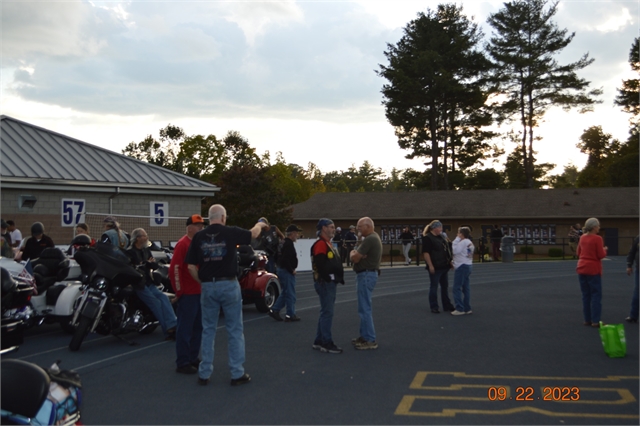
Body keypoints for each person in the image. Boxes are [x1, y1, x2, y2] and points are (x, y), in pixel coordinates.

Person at [185, 204, 268, 386]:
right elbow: (253, 234)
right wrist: (260, 224)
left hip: (208, 285)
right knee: (234, 329)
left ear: (209, 218)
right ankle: (237, 372)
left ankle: (204, 373)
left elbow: (190, 266)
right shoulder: (230, 232)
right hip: (229, 284)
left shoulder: (199, 236)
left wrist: (202, 282)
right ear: (223, 217)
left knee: (208, 329)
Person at [169, 214, 206, 374]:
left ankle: (192, 357)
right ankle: (183, 361)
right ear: (189, 227)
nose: (201, 228)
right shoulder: (183, 245)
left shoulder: (197, 244)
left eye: (201, 225)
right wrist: (179, 291)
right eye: (198, 226)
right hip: (189, 293)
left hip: (198, 291)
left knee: (197, 327)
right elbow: (175, 269)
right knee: (185, 328)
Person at [126, 228, 178, 340]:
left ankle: (173, 324)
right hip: (139, 284)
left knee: (164, 298)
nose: (147, 237)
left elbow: (154, 265)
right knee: (156, 303)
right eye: (144, 236)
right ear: (138, 238)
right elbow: (132, 268)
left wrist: (151, 263)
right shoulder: (130, 252)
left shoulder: (146, 250)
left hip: (149, 282)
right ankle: (167, 330)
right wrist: (146, 263)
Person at [311, 218, 345, 354]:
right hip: (325, 283)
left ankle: (319, 340)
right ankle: (326, 342)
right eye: (331, 227)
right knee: (327, 313)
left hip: (327, 282)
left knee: (325, 312)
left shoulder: (327, 244)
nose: (333, 229)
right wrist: (327, 278)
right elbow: (320, 263)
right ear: (324, 228)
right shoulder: (321, 244)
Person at [350, 217, 382, 350]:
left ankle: (369, 339)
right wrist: (357, 253)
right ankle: (364, 335)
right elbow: (358, 255)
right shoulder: (372, 238)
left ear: (368, 226)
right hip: (368, 274)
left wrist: (353, 253)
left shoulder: (370, 239)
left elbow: (355, 258)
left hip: (366, 274)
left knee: (364, 308)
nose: (358, 229)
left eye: (360, 227)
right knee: (363, 307)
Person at [576, 218, 607, 328]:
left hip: (581, 267)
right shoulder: (597, 238)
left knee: (585, 295)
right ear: (594, 227)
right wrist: (604, 249)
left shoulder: (582, 237)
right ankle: (596, 320)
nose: (599, 228)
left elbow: (578, 252)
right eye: (598, 226)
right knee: (596, 294)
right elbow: (601, 255)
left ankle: (587, 319)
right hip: (593, 268)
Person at [268, 224, 302, 322]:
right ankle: (290, 314)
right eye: (296, 233)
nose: (297, 235)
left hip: (281, 269)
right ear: (292, 233)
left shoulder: (282, 242)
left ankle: (275, 310)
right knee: (290, 294)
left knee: (285, 292)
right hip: (286, 271)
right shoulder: (288, 244)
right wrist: (291, 270)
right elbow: (285, 259)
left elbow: (276, 256)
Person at [422, 220, 455, 313]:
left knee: (445, 287)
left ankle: (447, 305)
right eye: (440, 227)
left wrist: (450, 261)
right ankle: (434, 306)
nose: (441, 229)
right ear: (434, 228)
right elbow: (426, 253)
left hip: (444, 265)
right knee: (434, 286)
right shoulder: (428, 238)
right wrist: (430, 265)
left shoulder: (442, 237)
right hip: (436, 266)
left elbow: (447, 250)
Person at [451, 227, 474, 316]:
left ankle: (459, 308)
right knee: (466, 287)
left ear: (461, 234)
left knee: (456, 288)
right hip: (468, 265)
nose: (457, 234)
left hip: (462, 266)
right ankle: (467, 308)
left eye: (458, 233)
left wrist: (456, 239)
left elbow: (454, 251)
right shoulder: (470, 242)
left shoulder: (463, 242)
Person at [625, 235, 639, 323]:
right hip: (639, 269)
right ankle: (633, 315)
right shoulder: (638, 238)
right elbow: (632, 252)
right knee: (637, 293)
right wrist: (629, 265)